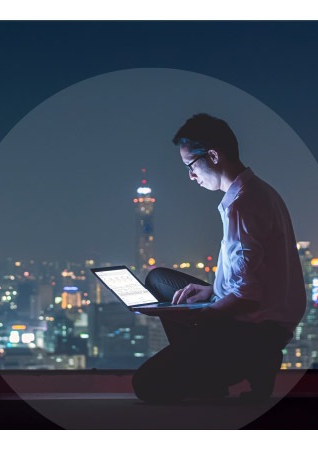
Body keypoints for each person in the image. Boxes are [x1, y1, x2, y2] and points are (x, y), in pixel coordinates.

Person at [131, 113, 307, 403]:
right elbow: (254, 273)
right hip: (258, 319)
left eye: (191, 165)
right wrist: (211, 291)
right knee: (159, 279)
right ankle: (206, 370)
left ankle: (241, 364)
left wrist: (200, 316)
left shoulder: (242, 205)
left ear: (213, 155)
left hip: (255, 332)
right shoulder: (258, 191)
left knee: (147, 385)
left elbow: (249, 296)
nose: (190, 175)